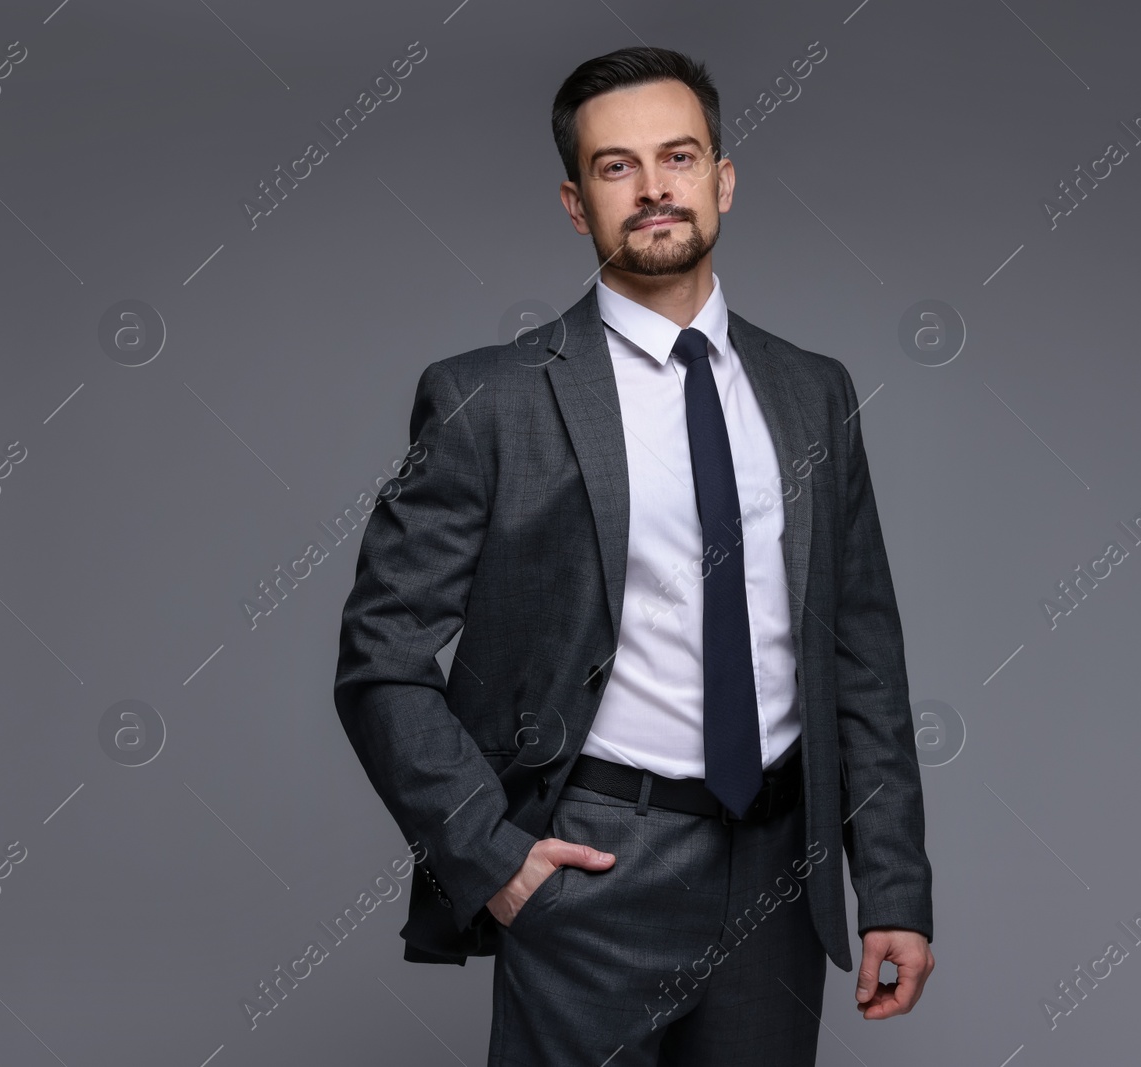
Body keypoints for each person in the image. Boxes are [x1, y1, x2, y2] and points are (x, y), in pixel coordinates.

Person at [333, 44, 934, 1066]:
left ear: (722, 179)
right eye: (617, 167)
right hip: (596, 864)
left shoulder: (811, 392)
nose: (654, 188)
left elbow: (861, 653)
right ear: (577, 203)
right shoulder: (491, 400)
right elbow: (379, 658)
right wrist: (497, 859)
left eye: (679, 157)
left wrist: (893, 885)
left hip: (780, 869)